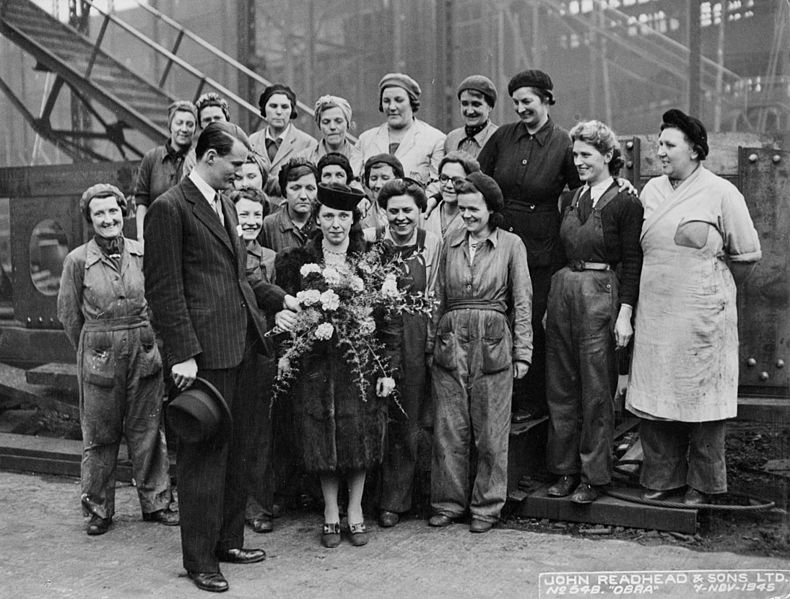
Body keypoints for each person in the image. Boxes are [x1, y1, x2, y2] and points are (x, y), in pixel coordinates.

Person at [143, 121, 299, 593]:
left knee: (238, 453)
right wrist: (183, 355)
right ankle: (200, 560)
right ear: (209, 157)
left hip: (245, 346)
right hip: (204, 356)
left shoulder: (225, 203)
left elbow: (239, 275)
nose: (242, 173)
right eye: (235, 164)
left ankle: (229, 541)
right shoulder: (169, 208)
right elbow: (164, 289)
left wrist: (280, 299)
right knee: (204, 457)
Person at [626, 109, 761, 506]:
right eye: (658, 145)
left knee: (702, 398)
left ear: (696, 151)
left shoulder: (721, 192)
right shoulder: (651, 192)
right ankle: (662, 478)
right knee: (656, 393)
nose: (660, 152)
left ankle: (704, 486)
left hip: (703, 313)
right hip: (656, 311)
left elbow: (748, 255)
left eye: (669, 145)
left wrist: (710, 293)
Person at [57, 184, 179, 536]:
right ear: (90, 219)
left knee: (148, 430)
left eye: (113, 211)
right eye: (99, 213)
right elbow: (68, 315)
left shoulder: (143, 253)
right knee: (99, 433)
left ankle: (156, 502)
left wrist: (151, 341)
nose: (108, 219)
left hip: (142, 346)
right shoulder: (77, 260)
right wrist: (93, 348)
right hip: (99, 350)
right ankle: (98, 509)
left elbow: (158, 299)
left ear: (123, 212)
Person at [274, 182, 388, 549]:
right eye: (328, 216)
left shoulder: (369, 260)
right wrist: (286, 351)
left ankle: (354, 510)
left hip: (359, 363)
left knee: (359, 433)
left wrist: (388, 371)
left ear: (353, 220)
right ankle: (329, 511)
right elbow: (284, 317)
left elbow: (388, 321)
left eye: (343, 216)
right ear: (317, 218)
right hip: (315, 363)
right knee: (320, 433)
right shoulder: (294, 262)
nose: (336, 224)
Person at [545, 121, 644, 504]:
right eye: (576, 154)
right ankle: (564, 470)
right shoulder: (570, 198)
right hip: (565, 291)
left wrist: (625, 313)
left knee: (597, 390)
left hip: (601, 293)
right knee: (561, 387)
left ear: (607, 156)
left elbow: (633, 261)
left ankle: (594, 475)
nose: (580, 161)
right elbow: (558, 251)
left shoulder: (626, 201)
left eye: (587, 154)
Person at [427, 172, 532, 533]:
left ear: (491, 209)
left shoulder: (510, 245)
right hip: (450, 340)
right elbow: (436, 297)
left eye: (474, 208)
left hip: (493, 341)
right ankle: (448, 503)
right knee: (449, 428)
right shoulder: (449, 242)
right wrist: (431, 345)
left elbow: (522, 301)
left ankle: (486, 508)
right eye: (462, 208)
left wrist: (523, 353)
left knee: (491, 430)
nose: (467, 215)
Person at [373, 178, 441, 528]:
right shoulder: (375, 247)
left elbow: (436, 294)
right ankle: (385, 499)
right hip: (383, 337)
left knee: (414, 418)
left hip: (418, 337)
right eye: (394, 211)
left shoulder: (433, 245)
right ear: (384, 213)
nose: (401, 218)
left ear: (420, 211)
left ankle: (412, 499)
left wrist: (430, 343)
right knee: (386, 418)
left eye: (408, 210)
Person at [229, 187, 277, 534]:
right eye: (243, 215)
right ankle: (226, 504)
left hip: (261, 349)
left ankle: (256, 505)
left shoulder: (270, 258)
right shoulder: (222, 253)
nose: (250, 222)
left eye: (256, 217)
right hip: (228, 348)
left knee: (259, 432)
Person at [358, 73, 445, 196]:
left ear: (412, 101)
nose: (392, 107)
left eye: (399, 100)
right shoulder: (365, 139)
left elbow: (438, 184)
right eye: (386, 101)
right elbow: (354, 180)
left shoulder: (435, 139)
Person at [134, 100, 197, 243]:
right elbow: (142, 201)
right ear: (170, 126)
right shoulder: (151, 158)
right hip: (156, 235)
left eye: (190, 124)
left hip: (188, 237)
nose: (184, 129)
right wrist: (141, 236)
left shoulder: (198, 161)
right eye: (179, 123)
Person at [249, 83, 316, 194]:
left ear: (292, 111)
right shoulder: (251, 141)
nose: (279, 112)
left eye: (284, 107)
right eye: (273, 106)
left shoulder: (308, 143)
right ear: (264, 109)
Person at [260, 158, 318, 252]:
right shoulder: (269, 225)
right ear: (284, 191)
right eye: (295, 188)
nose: (303, 196)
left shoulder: (323, 224)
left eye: (310, 188)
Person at [298, 95, 363, 177]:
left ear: (347, 124)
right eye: (326, 122)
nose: (332, 127)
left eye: (338, 121)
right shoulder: (304, 159)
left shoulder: (360, 159)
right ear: (319, 125)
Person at [424, 150, 480, 241]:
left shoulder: (474, 219)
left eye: (457, 180)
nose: (449, 185)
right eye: (444, 178)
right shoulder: (427, 214)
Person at [444, 75, 498, 158]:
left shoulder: (499, 138)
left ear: (490, 106)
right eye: (465, 104)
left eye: (476, 104)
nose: (469, 111)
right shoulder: (452, 138)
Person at [182, 93, 232, 179]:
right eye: (207, 120)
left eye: (217, 118)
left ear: (227, 120)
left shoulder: (241, 149)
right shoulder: (193, 158)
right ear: (201, 125)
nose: (213, 123)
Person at [360, 153, 404, 232]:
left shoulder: (412, 213)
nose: (378, 185)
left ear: (398, 180)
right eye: (373, 179)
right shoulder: (362, 217)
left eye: (385, 178)